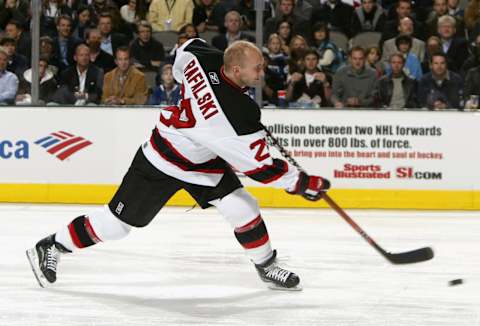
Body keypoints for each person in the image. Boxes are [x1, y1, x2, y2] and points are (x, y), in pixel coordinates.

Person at [26, 39, 330, 290]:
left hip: (202, 163)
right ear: (236, 69)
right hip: (162, 159)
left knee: (243, 207)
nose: (262, 71)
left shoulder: (204, 57)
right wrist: (302, 183)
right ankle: (53, 245)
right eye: (257, 68)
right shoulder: (234, 113)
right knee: (116, 226)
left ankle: (266, 266)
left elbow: (185, 48)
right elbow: (259, 167)